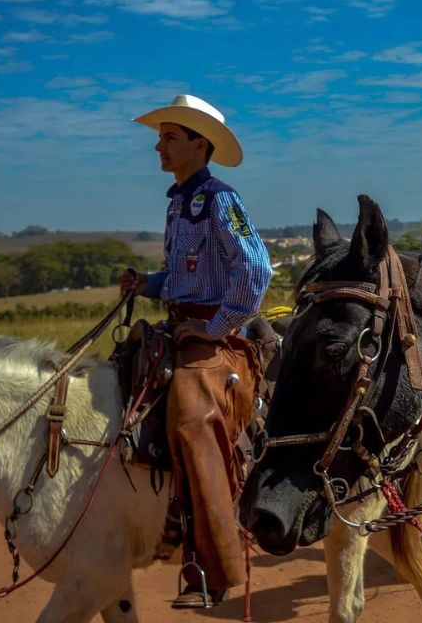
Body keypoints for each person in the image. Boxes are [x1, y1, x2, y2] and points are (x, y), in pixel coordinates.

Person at [118, 94, 272, 609]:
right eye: (159, 137)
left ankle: (214, 569)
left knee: (189, 419)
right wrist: (147, 284)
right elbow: (182, 277)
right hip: (177, 329)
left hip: (213, 341)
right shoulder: (177, 203)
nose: (158, 147)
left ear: (199, 145)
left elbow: (256, 273)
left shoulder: (223, 201)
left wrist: (216, 329)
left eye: (169, 137)